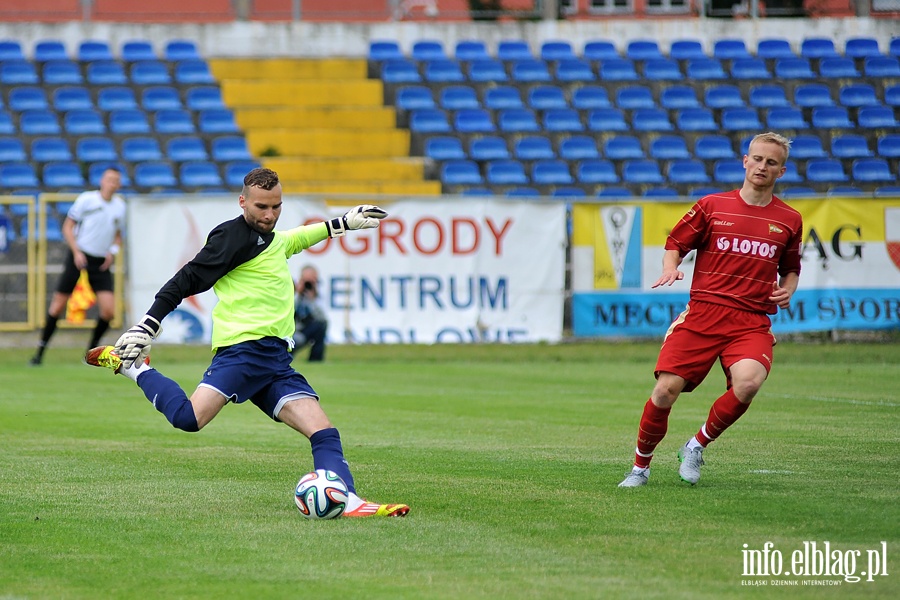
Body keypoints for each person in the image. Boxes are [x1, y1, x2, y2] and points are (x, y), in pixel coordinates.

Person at [84, 167, 409, 517]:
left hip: (275, 361)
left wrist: (342, 223)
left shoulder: (274, 241)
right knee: (188, 419)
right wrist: (148, 323)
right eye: (260, 207)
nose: (269, 215)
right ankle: (134, 368)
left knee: (324, 432)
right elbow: (187, 278)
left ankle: (348, 501)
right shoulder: (231, 237)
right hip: (241, 353)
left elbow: (299, 236)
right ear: (242, 202)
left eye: (276, 207)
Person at [618, 132, 803, 488]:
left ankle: (696, 445)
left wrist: (787, 290)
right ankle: (640, 468)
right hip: (704, 313)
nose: (762, 166)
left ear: (781, 171)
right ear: (745, 162)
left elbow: (791, 268)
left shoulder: (789, 220)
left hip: (750, 321)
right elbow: (675, 243)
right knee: (664, 391)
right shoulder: (712, 205)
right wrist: (670, 267)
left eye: (771, 162)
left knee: (748, 384)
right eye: (757, 159)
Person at [30, 167, 125, 366]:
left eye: (116, 180)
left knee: (108, 311)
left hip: (100, 262)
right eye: (109, 179)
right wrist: (76, 252)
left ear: (119, 184)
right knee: (57, 305)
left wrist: (112, 252)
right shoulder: (87, 200)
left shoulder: (119, 207)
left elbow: (118, 235)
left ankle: (90, 354)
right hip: (79, 257)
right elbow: (68, 226)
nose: (112, 183)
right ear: (102, 181)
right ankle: (40, 352)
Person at [292, 265, 328, 362]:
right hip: (291, 331)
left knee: (322, 324)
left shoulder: (318, 296)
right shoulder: (293, 293)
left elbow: (322, 318)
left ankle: (316, 359)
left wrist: (312, 300)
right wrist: (298, 294)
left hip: (305, 331)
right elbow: (288, 309)